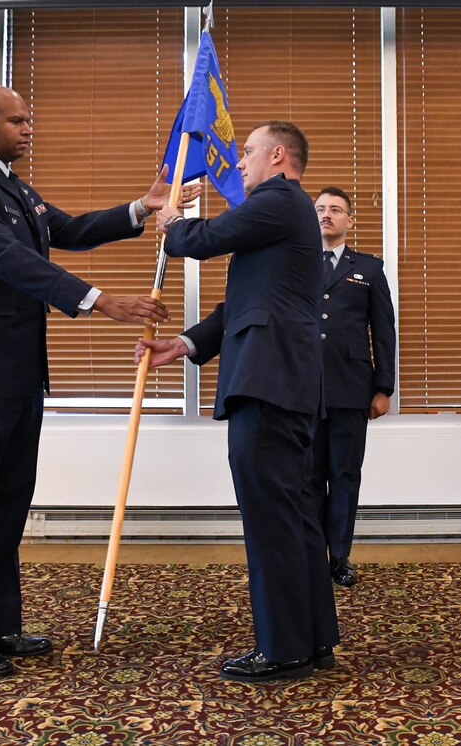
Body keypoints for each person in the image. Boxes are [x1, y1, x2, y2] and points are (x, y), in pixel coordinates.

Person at [0, 85, 198, 678]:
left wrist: (142, 208)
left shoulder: (13, 184)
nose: (27, 129)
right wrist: (99, 302)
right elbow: (5, 257)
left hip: (16, 373)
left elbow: (63, 230)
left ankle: (0, 625)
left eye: (28, 119)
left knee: (5, 505)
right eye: (16, 120)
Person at [136, 121, 339, 682]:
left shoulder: (278, 199)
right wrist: (183, 344)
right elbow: (243, 305)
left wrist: (171, 217)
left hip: (268, 383)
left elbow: (200, 240)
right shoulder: (283, 215)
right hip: (283, 384)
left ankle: (283, 649)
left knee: (272, 520)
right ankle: (313, 640)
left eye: (247, 152)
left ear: (277, 156)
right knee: (295, 517)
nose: (239, 161)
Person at [310, 187, 395, 587]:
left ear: (349, 220)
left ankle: (339, 556)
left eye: (335, 210)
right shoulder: (296, 263)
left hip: (350, 388)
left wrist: (384, 388)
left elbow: (384, 332)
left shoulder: (370, 269)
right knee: (307, 477)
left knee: (344, 473)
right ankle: (310, 555)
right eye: (320, 209)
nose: (327, 215)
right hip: (304, 387)